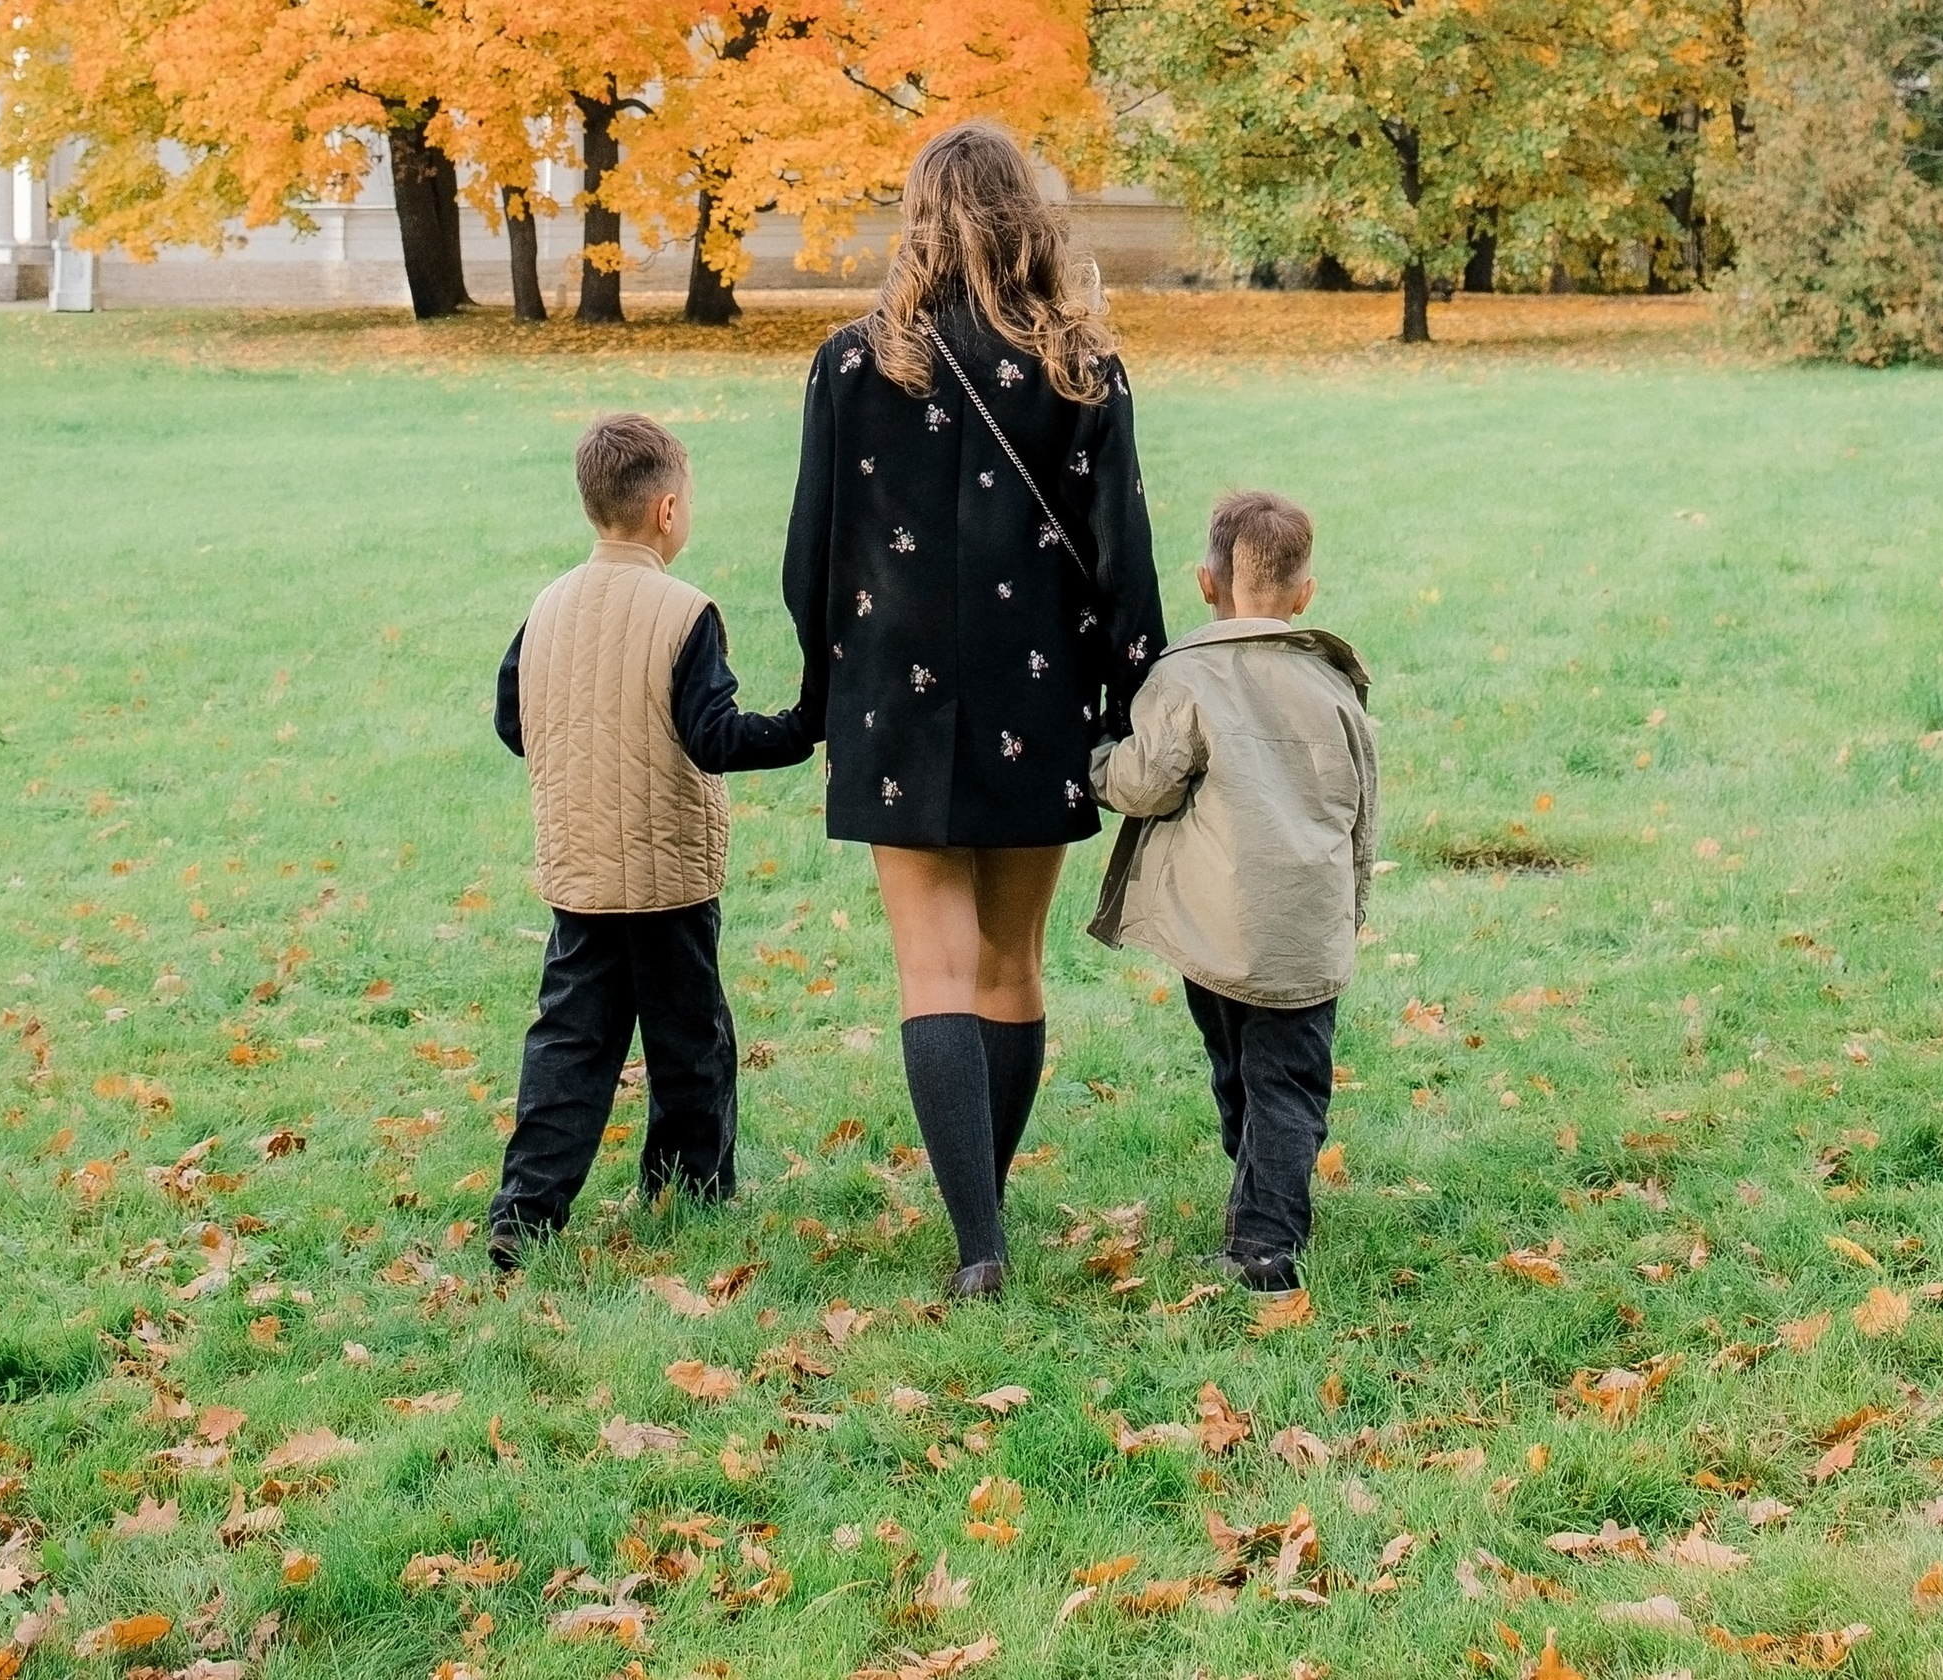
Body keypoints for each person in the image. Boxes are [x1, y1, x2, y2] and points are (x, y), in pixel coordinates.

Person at [782, 123, 1164, 1297]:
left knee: (931, 972)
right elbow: (1124, 554)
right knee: (1008, 967)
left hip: (893, 694)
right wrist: (1133, 693)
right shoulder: (1083, 371)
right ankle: (981, 1210)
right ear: (1025, 220)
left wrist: (818, 692)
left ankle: (977, 1240)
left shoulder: (851, 363)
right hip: (1035, 691)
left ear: (920, 220)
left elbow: (810, 554)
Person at [488, 410, 814, 1268]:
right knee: (690, 1042)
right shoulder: (684, 612)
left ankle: (524, 1216)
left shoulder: (547, 605)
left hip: (581, 872)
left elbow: (512, 720)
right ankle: (690, 1187)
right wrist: (802, 727)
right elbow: (714, 736)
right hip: (669, 875)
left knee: (569, 1045)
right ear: (667, 510)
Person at [1086, 485, 1376, 1294]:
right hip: (1302, 928)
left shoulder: (1186, 679)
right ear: (1304, 594)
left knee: (1240, 1069)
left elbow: (1142, 785)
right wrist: (1351, 908)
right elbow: (1363, 807)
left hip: (1214, 931)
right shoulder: (1335, 685)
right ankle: (1269, 1203)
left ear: (1205, 583)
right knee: (1284, 1079)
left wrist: (1099, 756)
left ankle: (1265, 1244)